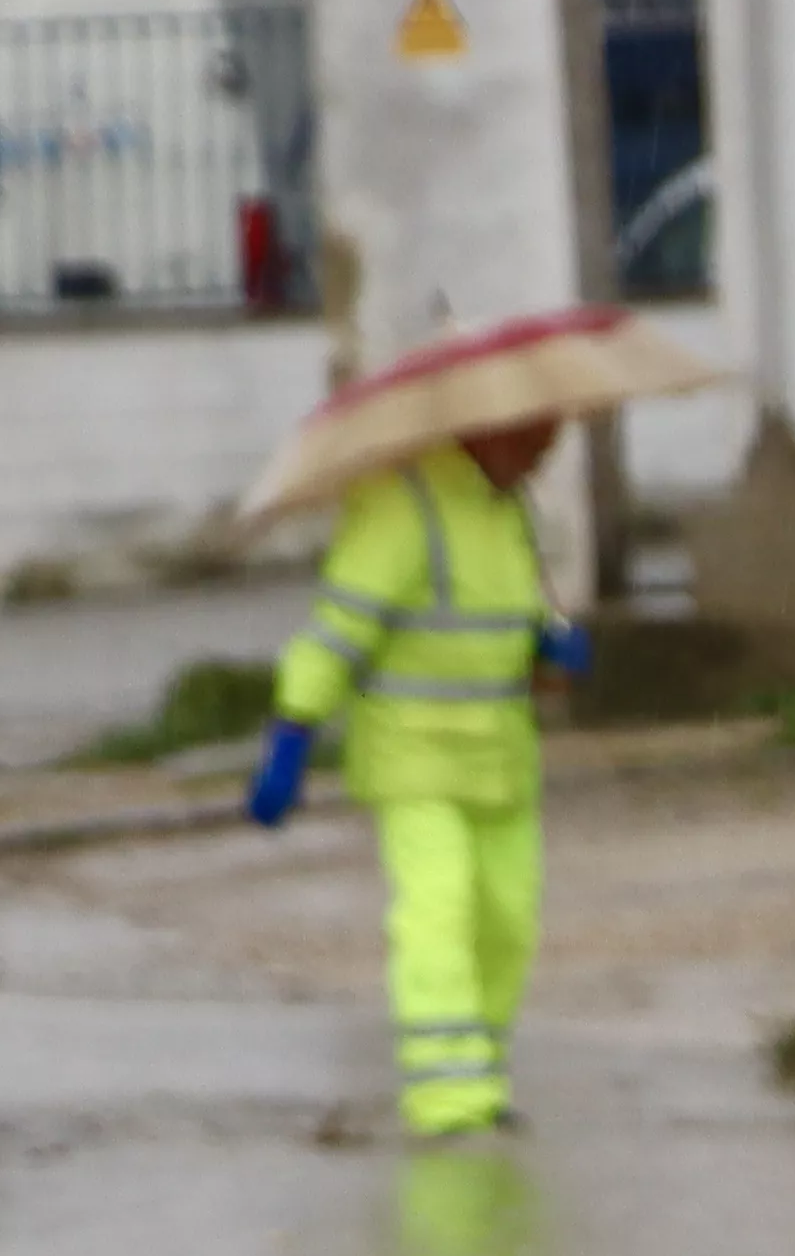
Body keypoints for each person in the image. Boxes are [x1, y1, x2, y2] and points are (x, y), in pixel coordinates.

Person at [247, 418, 589, 1139]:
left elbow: (508, 619)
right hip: (416, 759)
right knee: (438, 912)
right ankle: (446, 1098)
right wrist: (293, 730)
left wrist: (546, 644)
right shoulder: (401, 509)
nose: (543, 455)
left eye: (552, 441)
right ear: (489, 430)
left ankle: (479, 1076)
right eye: (535, 439)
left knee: (506, 922)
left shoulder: (510, 510)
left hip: (501, 761)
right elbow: (337, 632)